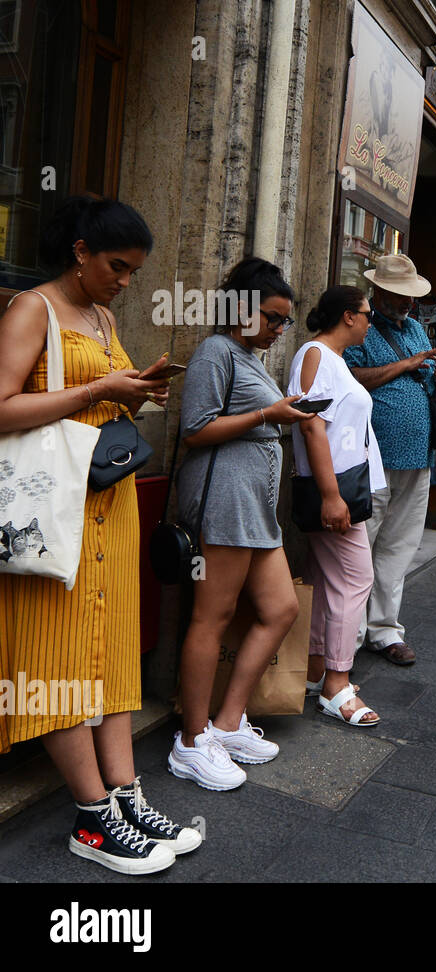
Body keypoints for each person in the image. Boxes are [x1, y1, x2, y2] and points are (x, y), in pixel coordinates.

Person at [0, 195, 198, 874]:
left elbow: (100, 388)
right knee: (56, 657)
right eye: (117, 265)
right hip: (50, 508)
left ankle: (123, 796)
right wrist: (96, 391)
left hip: (106, 504)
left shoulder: (103, 314)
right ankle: (90, 818)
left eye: (134, 272)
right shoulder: (33, 309)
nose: (124, 281)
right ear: (80, 249)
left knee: (110, 653)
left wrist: (134, 390)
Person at [169, 258, 314, 791]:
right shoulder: (215, 351)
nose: (280, 330)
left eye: (285, 322)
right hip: (223, 502)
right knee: (213, 615)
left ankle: (227, 724)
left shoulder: (248, 356)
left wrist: (283, 411)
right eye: (273, 319)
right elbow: (195, 431)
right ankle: (190, 740)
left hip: (255, 507)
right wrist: (266, 416)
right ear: (242, 310)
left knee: (281, 609)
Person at [343, 254, 436, 667]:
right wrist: (407, 363)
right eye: (399, 295)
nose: (408, 303)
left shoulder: (414, 327)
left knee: (400, 544)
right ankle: (350, 635)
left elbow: (425, 380)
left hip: (419, 453)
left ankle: (385, 628)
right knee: (363, 542)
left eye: (411, 296)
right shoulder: (361, 328)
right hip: (374, 454)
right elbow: (352, 378)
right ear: (379, 291)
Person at [289, 286, 388, 726]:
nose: (372, 321)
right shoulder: (315, 354)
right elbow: (311, 425)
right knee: (355, 579)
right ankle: (336, 683)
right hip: (333, 489)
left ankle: (316, 670)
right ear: (348, 316)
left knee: (327, 580)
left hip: (343, 487)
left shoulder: (334, 359)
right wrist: (331, 495)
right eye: (368, 314)